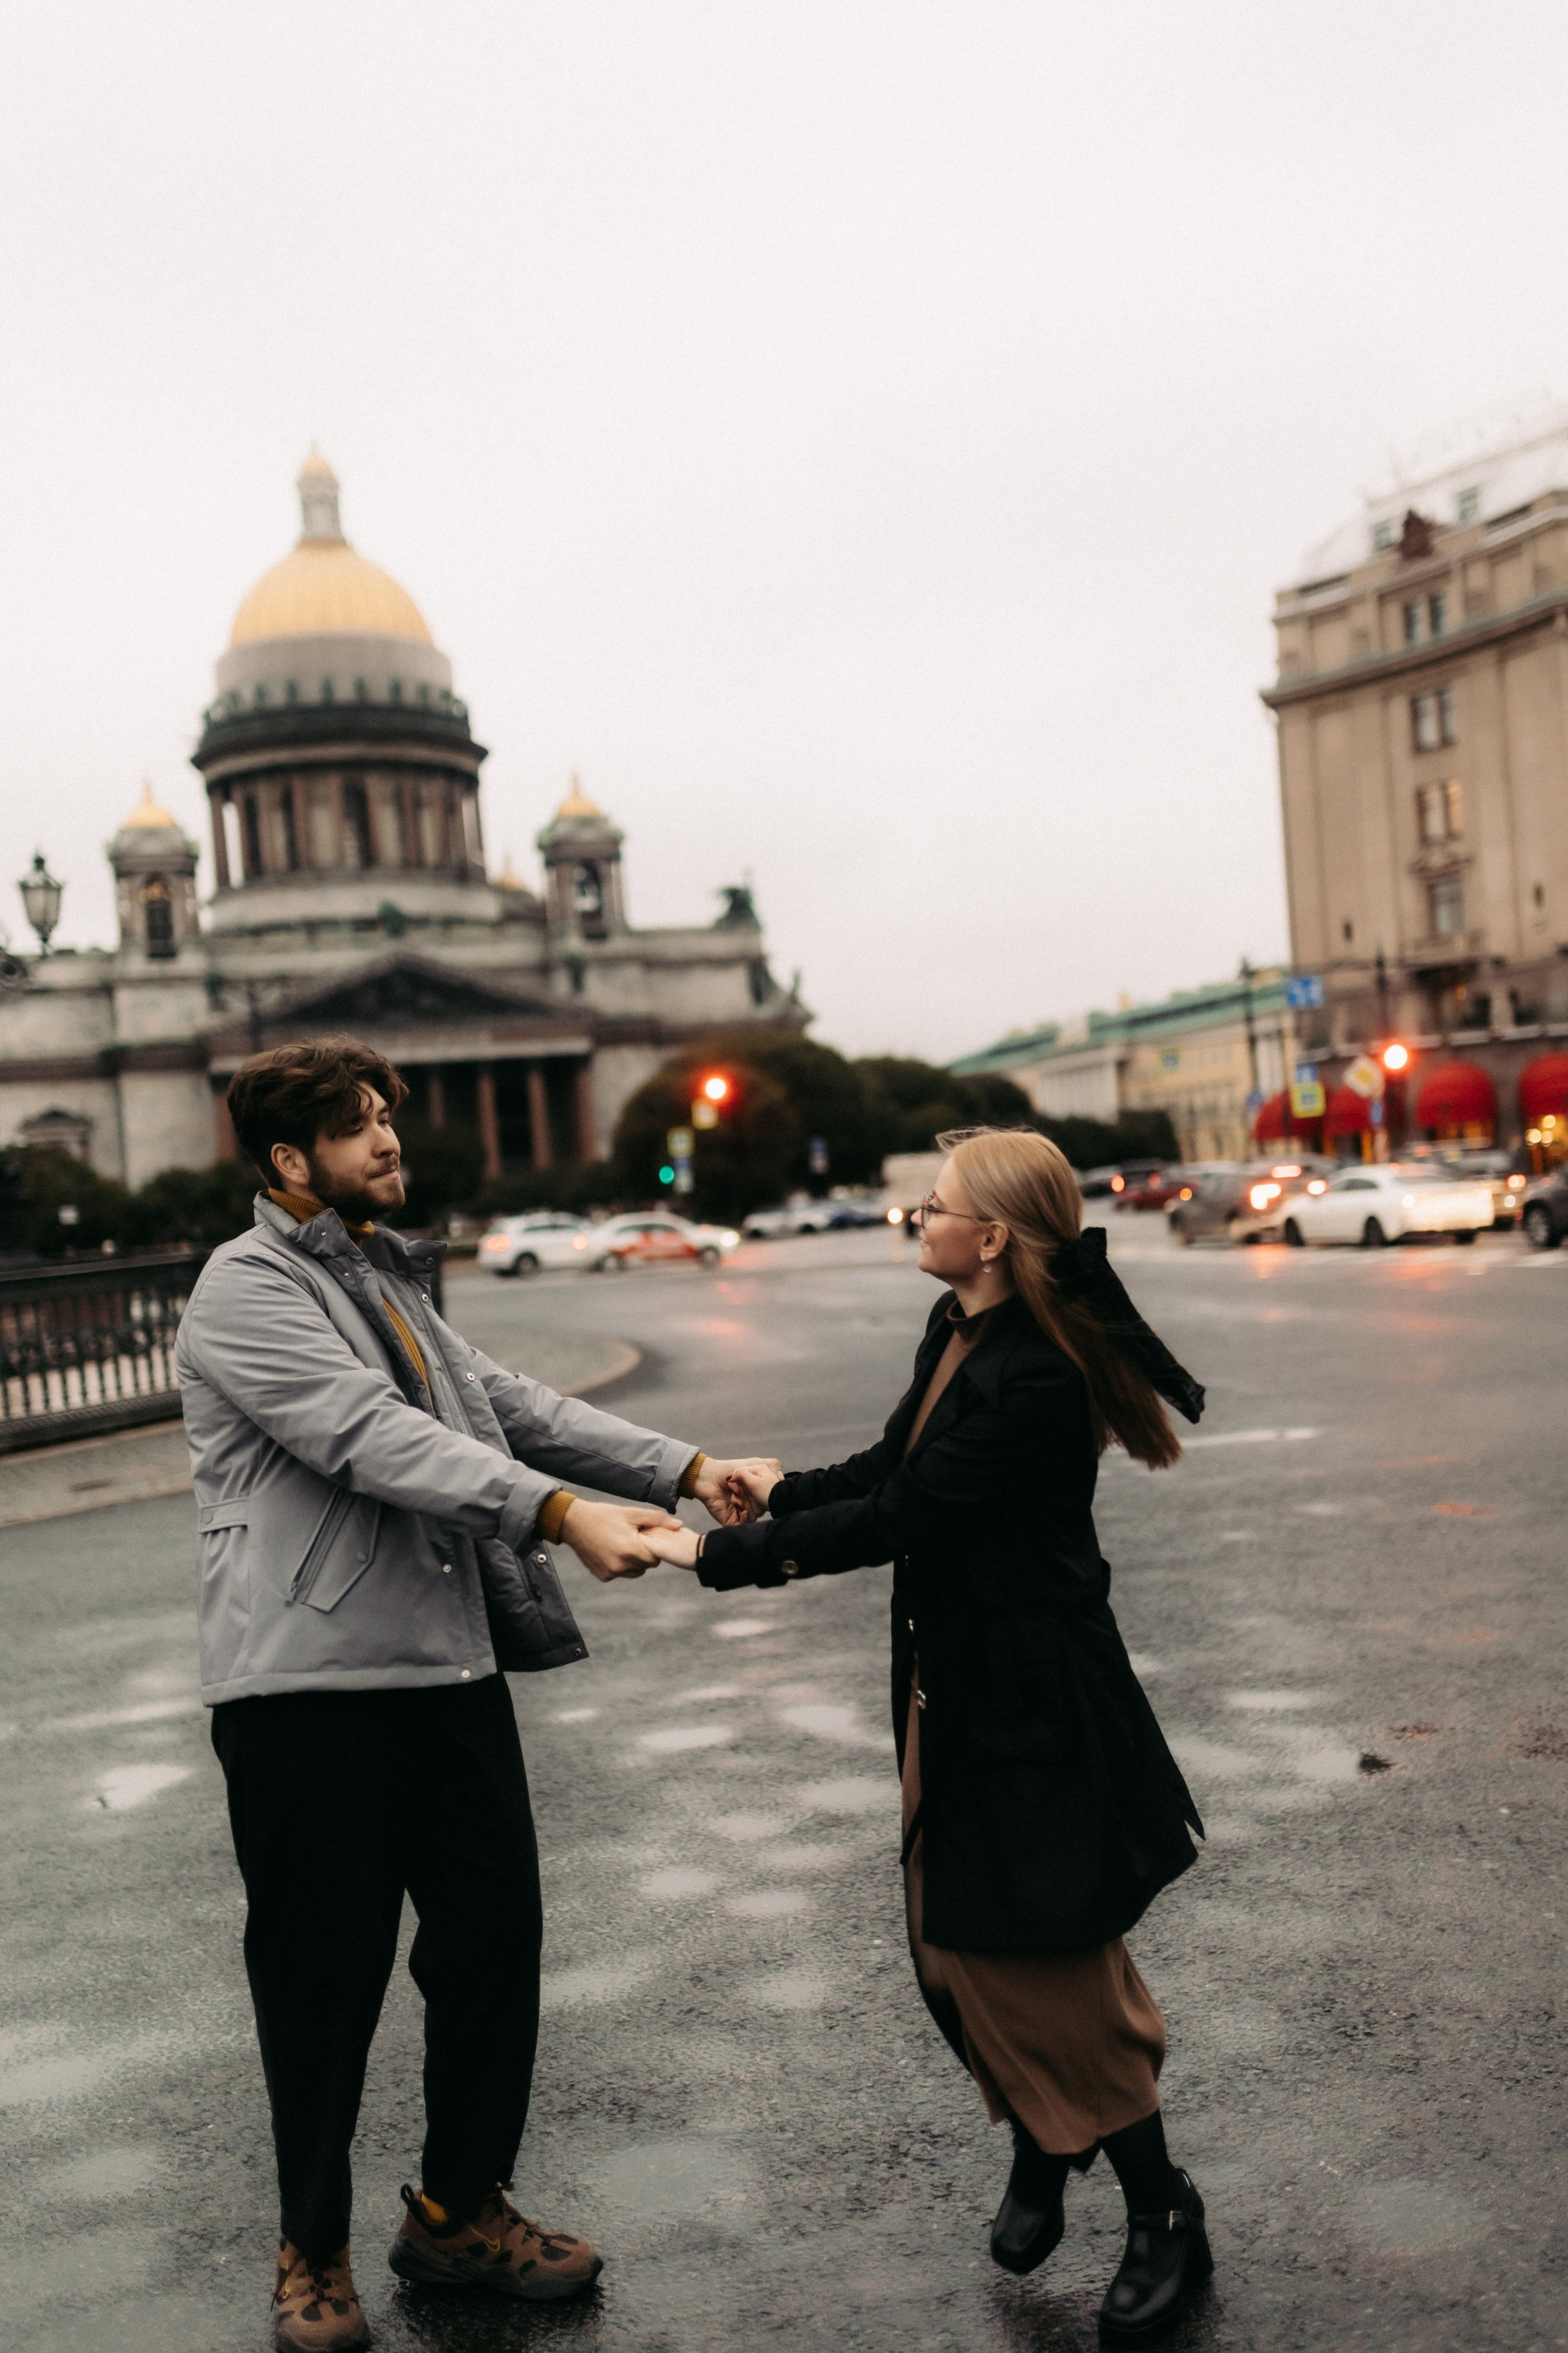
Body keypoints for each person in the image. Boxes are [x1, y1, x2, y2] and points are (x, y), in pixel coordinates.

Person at [176, 1037, 771, 2352]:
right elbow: (367, 1434)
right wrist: (559, 1515)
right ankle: (312, 2247)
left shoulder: (382, 1276)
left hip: (447, 1669)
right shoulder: (243, 1287)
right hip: (308, 1691)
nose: (391, 1140)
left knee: (493, 1948)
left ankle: (457, 2212)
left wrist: (685, 1466)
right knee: (323, 1982)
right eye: (359, 1126)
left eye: (386, 1117)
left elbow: (503, 1403)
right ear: (290, 1160)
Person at [646, 1126, 1213, 2347]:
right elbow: (891, 1462)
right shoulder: (957, 1327)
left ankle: (1160, 2208)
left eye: (937, 1205)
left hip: (1035, 1703)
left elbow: (904, 1512)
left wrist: (714, 1556)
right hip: (958, 1688)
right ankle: (1047, 2136)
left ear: (992, 1236)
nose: (921, 1217)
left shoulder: (1038, 1376)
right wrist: (776, 1489)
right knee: (951, 1944)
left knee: (1048, 1960)